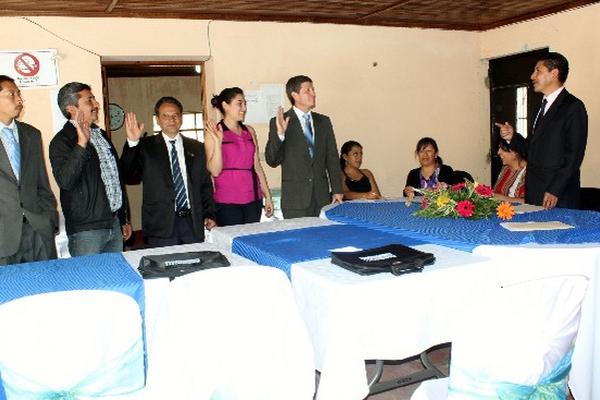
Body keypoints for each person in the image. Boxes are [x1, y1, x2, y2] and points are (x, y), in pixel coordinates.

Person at [496, 52, 587, 209]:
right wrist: (512, 137)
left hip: (557, 195)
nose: (532, 76)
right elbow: (533, 148)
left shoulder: (573, 107)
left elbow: (574, 157)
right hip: (534, 192)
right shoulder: (540, 107)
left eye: (538, 71)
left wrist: (555, 190)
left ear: (554, 73)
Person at [121, 97, 216, 247]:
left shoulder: (196, 148)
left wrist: (210, 213)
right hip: (160, 224)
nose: (171, 119)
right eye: (165, 116)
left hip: (192, 222)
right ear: (158, 119)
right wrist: (132, 143)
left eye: (175, 115)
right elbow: (129, 175)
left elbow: (205, 184)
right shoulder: (146, 146)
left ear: (181, 118)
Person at [49, 82, 131, 257]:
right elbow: (65, 180)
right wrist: (81, 144)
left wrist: (123, 219)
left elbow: (116, 178)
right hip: (86, 231)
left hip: (114, 223)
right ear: (72, 109)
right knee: (88, 281)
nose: (96, 104)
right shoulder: (62, 141)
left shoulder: (100, 135)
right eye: (89, 101)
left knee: (114, 280)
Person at [265, 75, 343, 218]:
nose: (313, 93)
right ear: (295, 95)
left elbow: (332, 158)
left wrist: (337, 190)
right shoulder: (280, 121)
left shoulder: (324, 122)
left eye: (313, 89)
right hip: (295, 200)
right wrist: (280, 135)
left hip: (322, 198)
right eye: (308, 90)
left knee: (324, 238)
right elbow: (272, 160)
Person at [0, 75, 57, 265]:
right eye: (11, 94)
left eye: (19, 94)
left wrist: (50, 220)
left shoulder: (31, 134)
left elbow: (42, 183)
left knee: (45, 287)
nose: (19, 100)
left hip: (38, 229)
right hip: (3, 237)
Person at [205, 87, 273, 226]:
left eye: (245, 104)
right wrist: (218, 142)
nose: (244, 108)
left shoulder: (249, 131)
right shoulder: (214, 133)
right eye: (239, 103)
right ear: (225, 105)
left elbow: (257, 166)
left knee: (251, 240)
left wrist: (268, 196)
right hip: (227, 200)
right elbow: (215, 171)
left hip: (253, 198)